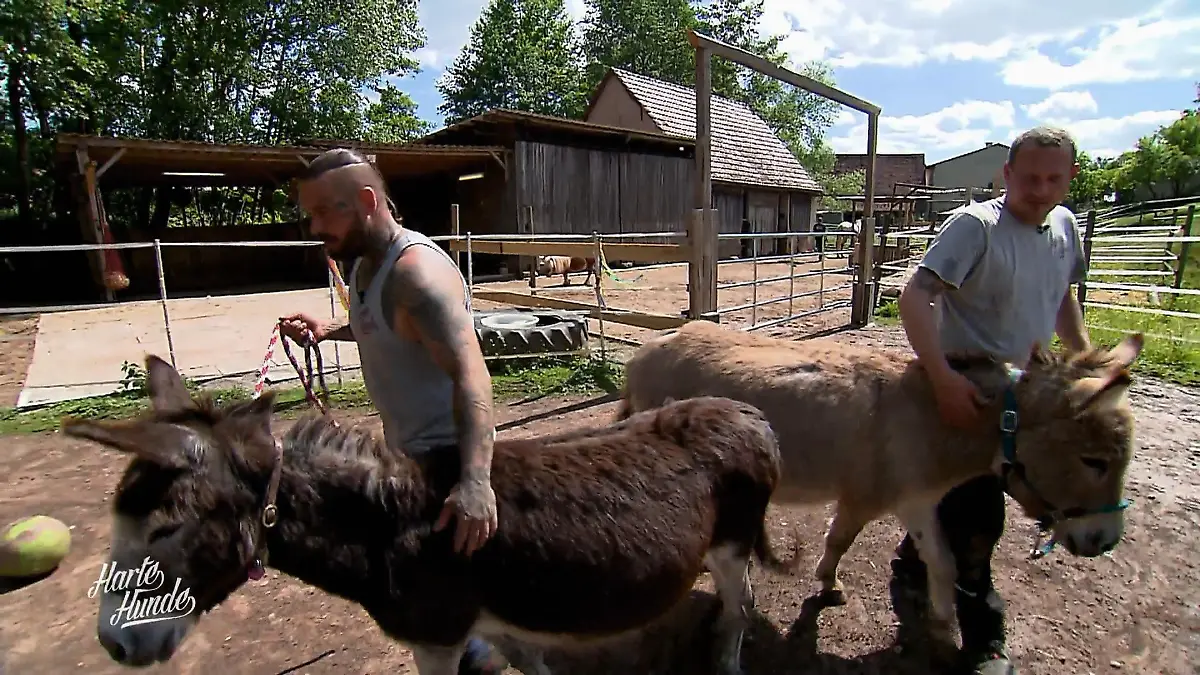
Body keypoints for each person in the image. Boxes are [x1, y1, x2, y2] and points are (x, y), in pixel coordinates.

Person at [279, 148, 507, 675]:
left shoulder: (416, 275)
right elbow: (384, 325)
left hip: (443, 464)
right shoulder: (363, 264)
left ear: (365, 201)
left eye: (322, 213)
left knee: (433, 601)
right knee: (430, 598)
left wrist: (474, 482)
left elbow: (471, 373)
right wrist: (327, 329)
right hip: (407, 455)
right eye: (308, 214)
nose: (313, 227)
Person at [893, 126, 1092, 675]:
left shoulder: (1066, 228)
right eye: (1029, 177)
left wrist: (1084, 364)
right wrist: (942, 380)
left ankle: (913, 561)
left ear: (1070, 177)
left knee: (969, 502)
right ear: (1007, 174)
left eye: (1054, 178)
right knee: (981, 520)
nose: (1041, 188)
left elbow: (1062, 302)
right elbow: (915, 296)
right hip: (971, 390)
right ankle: (985, 639)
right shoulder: (976, 227)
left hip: (1028, 391)